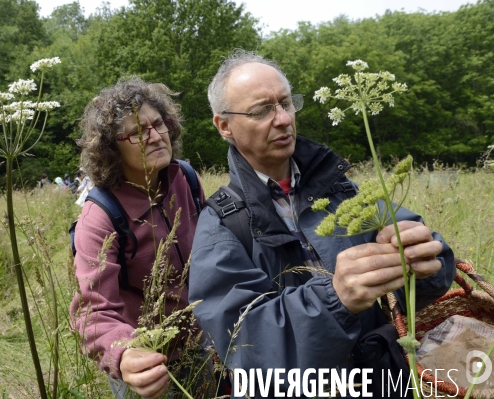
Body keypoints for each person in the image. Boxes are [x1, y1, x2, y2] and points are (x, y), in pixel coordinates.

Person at [188, 50, 455, 397]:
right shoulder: (220, 226)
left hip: (380, 379)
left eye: (286, 103)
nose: (283, 119)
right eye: (262, 111)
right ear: (224, 125)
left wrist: (426, 261)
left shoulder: (341, 190)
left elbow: (431, 280)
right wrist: (335, 299)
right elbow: (243, 344)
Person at [69, 77, 205, 399]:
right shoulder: (101, 214)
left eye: (159, 124)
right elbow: (92, 310)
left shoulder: (185, 178)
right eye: (137, 132)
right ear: (111, 149)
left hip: (202, 347)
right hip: (143, 368)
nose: (156, 136)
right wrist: (126, 354)